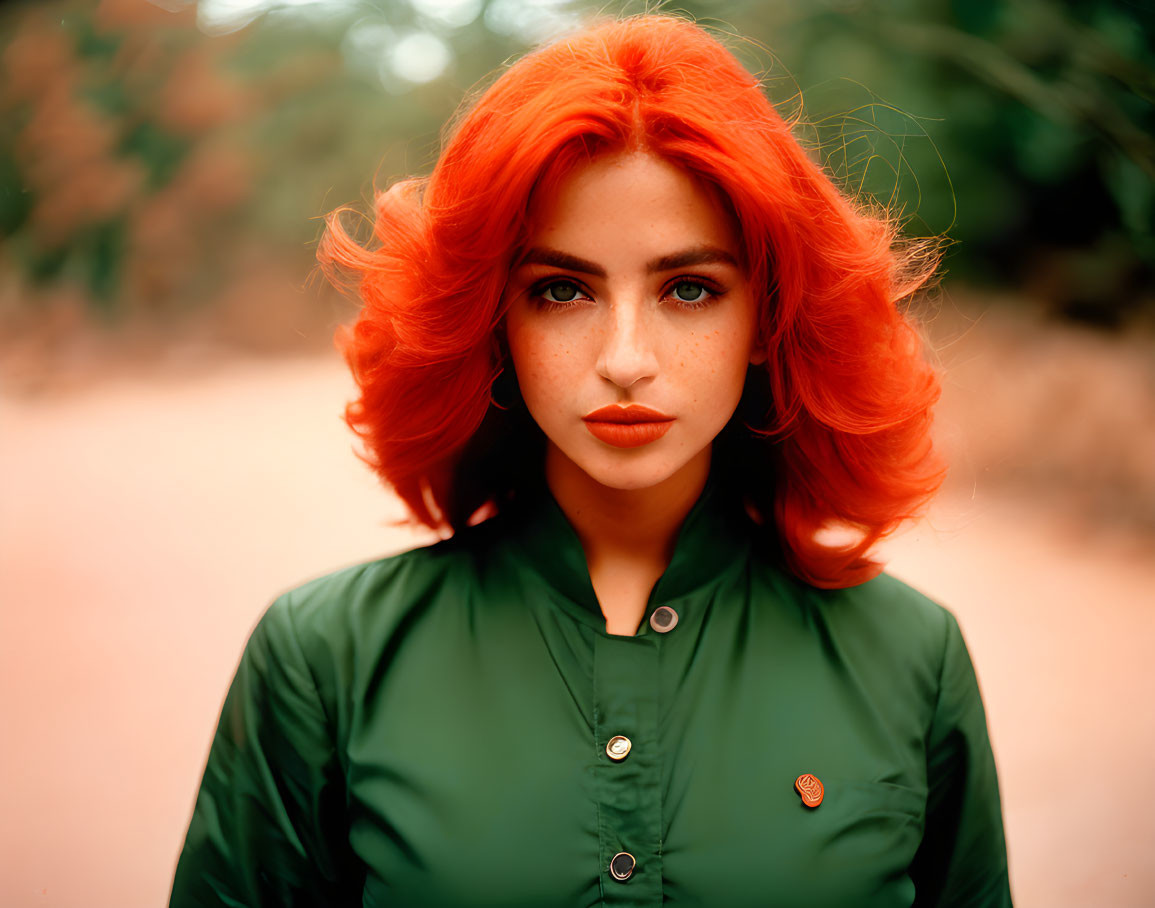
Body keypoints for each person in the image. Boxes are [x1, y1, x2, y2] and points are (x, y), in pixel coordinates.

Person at [169, 13, 1011, 907]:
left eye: (688, 288)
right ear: (494, 320)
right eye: (561, 290)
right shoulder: (324, 659)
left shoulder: (911, 659)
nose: (623, 357)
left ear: (766, 319)